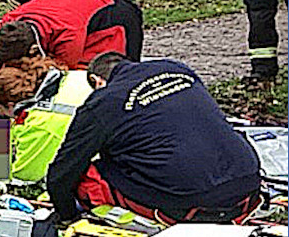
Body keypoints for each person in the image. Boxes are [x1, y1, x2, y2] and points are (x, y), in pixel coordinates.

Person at [47, 53, 262, 225]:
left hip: (189, 203)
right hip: (248, 183)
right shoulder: (176, 69)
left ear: (97, 81)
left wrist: (66, 215)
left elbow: (63, 171)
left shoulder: (103, 101)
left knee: (89, 177)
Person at [0, 0, 143, 119]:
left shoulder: (67, 39)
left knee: (110, 80)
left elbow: (60, 83)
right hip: (69, 5)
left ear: (34, 51)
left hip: (110, 12)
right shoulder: (7, 30)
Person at [0, 55, 92, 182]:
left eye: (0, 108)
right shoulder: (66, 77)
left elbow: (26, 176)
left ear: (11, 106)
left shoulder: (40, 124)